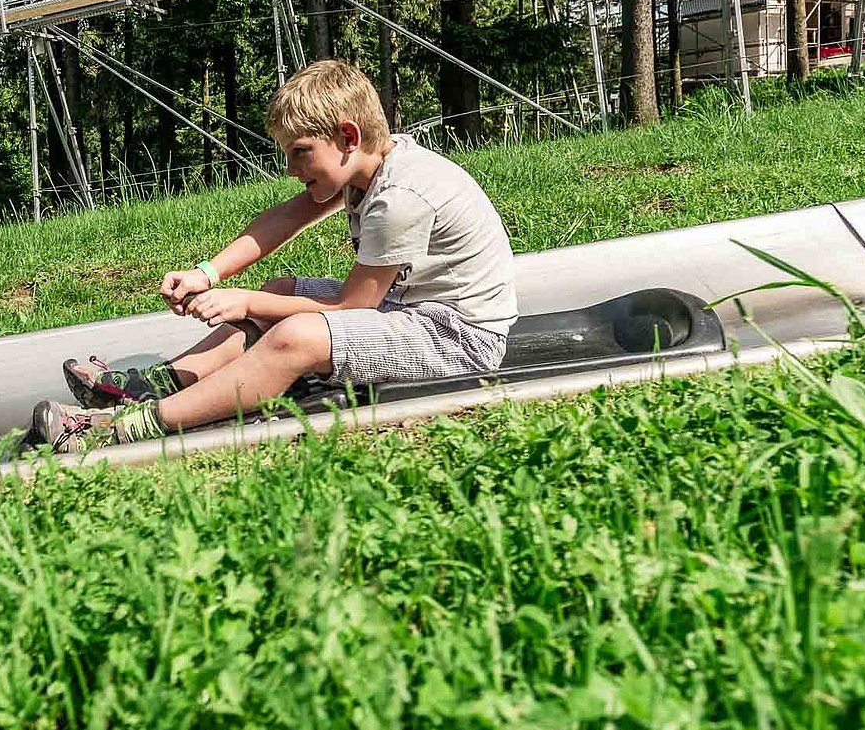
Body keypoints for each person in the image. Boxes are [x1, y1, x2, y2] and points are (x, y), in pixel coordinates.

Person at [31, 59, 519, 453]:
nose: (290, 168)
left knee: (295, 335)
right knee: (280, 291)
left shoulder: (402, 197)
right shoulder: (365, 167)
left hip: (458, 338)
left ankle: (127, 427)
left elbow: (353, 308)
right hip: (409, 310)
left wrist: (244, 303)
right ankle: (160, 383)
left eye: (300, 152)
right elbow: (282, 220)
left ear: (348, 137)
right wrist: (208, 273)